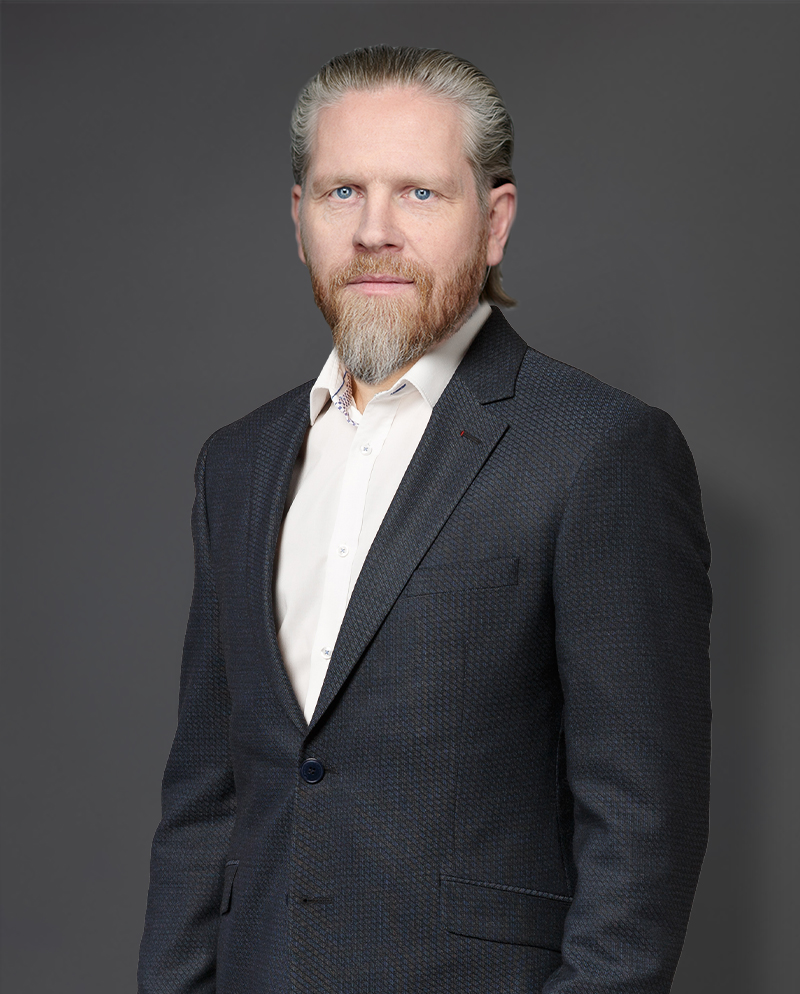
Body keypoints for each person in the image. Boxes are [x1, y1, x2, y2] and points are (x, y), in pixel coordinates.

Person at [138, 46, 711, 994]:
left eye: (419, 193)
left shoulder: (600, 450)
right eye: (342, 192)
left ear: (494, 222)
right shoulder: (236, 464)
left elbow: (642, 824)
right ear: (299, 220)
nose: (374, 231)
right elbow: (206, 799)